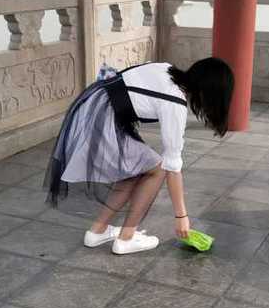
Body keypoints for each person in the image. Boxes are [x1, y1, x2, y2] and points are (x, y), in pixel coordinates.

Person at [44, 58, 234, 255]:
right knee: (158, 169)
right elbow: (172, 166)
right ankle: (126, 238)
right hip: (101, 121)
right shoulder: (174, 103)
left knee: (134, 171)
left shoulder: (166, 68)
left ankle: (97, 232)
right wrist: (181, 217)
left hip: (92, 108)